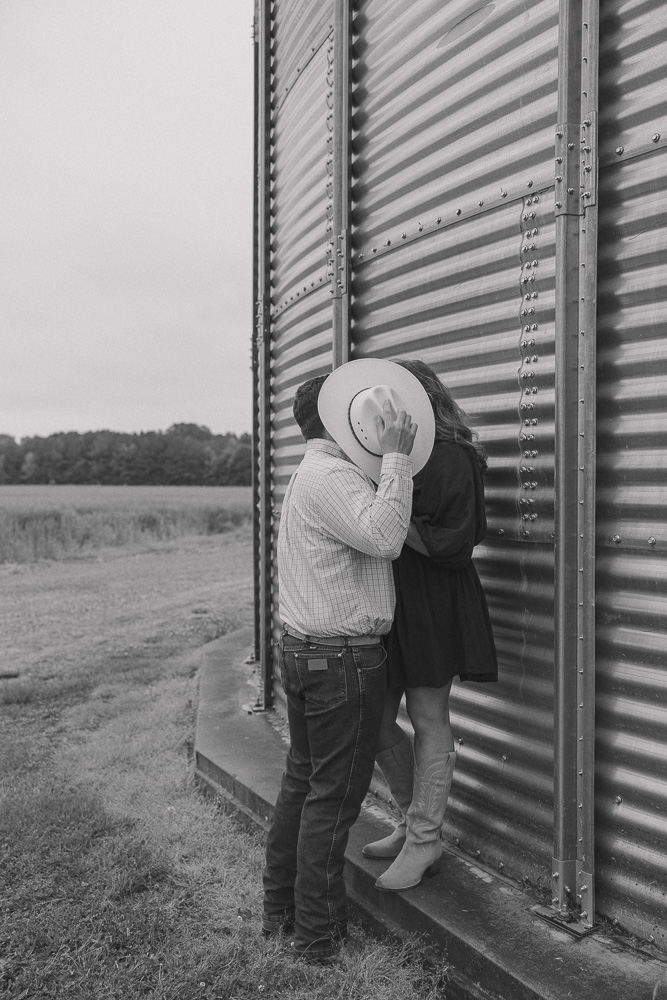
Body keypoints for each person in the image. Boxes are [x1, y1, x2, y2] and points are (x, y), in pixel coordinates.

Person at [262, 361, 434, 963]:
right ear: (340, 419)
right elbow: (386, 537)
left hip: (310, 654)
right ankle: (316, 938)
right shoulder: (334, 477)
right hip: (339, 662)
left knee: (303, 788)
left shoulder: (314, 473)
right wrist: (395, 459)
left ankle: (281, 913)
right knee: (332, 803)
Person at [362, 359, 498, 892]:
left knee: (426, 712)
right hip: (393, 599)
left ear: (424, 399)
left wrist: (392, 512)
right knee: (372, 715)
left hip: (436, 599)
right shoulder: (394, 454)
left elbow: (455, 542)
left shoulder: (454, 456)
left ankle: (425, 839)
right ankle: (411, 815)